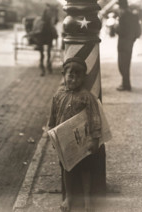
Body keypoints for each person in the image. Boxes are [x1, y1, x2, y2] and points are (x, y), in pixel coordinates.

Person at [48, 57, 102, 212]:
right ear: (63, 74)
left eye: (78, 76)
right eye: (70, 75)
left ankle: (87, 201)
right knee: (67, 169)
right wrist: (51, 134)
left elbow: (94, 118)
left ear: (83, 78)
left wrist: (95, 138)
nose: (74, 79)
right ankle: (69, 197)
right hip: (65, 142)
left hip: (83, 141)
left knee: (86, 169)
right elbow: (52, 117)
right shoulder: (58, 95)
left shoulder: (87, 97)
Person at [115, 0, 141, 91]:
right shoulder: (133, 16)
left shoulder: (122, 17)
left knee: (122, 65)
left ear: (121, 6)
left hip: (122, 44)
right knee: (126, 64)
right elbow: (138, 31)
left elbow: (120, 31)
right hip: (129, 43)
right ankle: (126, 83)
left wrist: (115, 27)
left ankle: (126, 85)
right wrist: (132, 39)